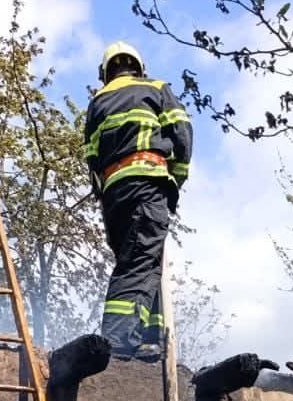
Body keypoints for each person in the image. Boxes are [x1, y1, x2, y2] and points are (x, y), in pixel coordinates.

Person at [84, 42, 192, 361]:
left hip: (114, 193)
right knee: (140, 260)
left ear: (106, 72)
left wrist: (105, 195)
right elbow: (182, 133)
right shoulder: (156, 88)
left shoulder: (97, 102)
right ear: (139, 67)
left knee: (142, 257)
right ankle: (116, 339)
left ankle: (149, 337)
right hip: (147, 179)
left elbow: (92, 156)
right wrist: (176, 179)